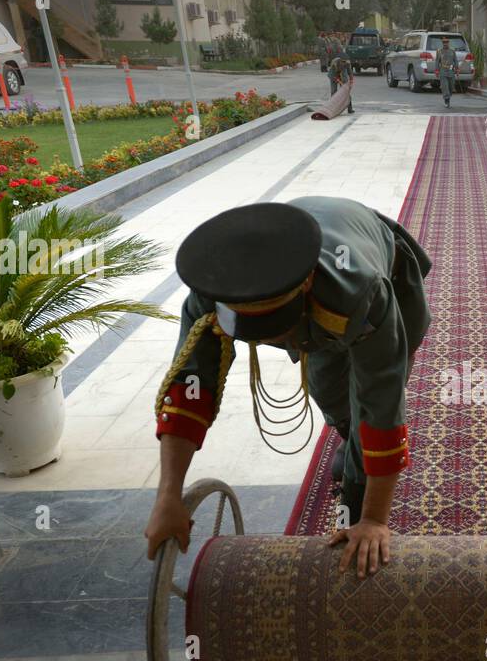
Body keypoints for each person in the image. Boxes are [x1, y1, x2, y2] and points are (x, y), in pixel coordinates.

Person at [144, 198, 432, 577]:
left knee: (366, 403)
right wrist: (168, 496)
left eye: (277, 328)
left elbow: (381, 400)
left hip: (377, 273)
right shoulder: (213, 290)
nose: (277, 341)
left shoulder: (359, 289)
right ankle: (349, 443)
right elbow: (190, 388)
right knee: (330, 392)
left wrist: (374, 520)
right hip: (318, 302)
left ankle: (357, 483)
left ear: (307, 284)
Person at [437, 36, 458, 108]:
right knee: (445, 86)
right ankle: (446, 100)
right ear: (442, 43)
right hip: (443, 71)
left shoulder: (452, 51)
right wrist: (436, 70)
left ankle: (448, 96)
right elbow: (437, 61)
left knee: (451, 86)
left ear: (448, 43)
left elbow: (455, 60)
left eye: (446, 42)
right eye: (444, 42)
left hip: (451, 71)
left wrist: (457, 69)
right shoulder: (439, 51)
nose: (445, 43)